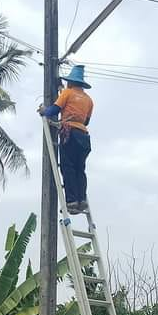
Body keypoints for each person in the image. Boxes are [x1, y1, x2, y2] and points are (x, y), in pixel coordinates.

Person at [38, 64, 93, 214]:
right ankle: (82, 200)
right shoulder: (88, 100)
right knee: (79, 169)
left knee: (67, 167)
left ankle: (71, 201)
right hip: (84, 136)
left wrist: (44, 112)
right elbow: (86, 121)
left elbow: (54, 110)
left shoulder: (67, 93)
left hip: (70, 134)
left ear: (71, 82)